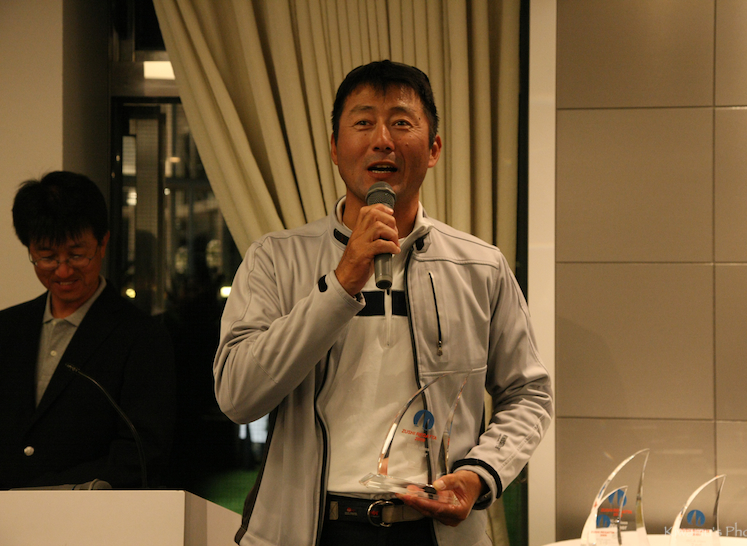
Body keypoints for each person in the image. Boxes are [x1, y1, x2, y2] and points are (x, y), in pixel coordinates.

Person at [213, 60, 553, 545]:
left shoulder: (481, 266)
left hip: (435, 530)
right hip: (312, 530)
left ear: (433, 149)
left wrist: (481, 472)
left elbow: (529, 393)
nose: (382, 140)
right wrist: (341, 283)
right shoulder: (276, 258)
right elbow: (237, 395)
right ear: (335, 148)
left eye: (401, 122)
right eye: (363, 122)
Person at [0, 171, 175, 490]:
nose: (63, 270)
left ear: (103, 243)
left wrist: (43, 493)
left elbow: (141, 451)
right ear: (30, 250)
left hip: (91, 512)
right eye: (47, 257)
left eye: (77, 254)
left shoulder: (141, 337)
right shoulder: (6, 329)